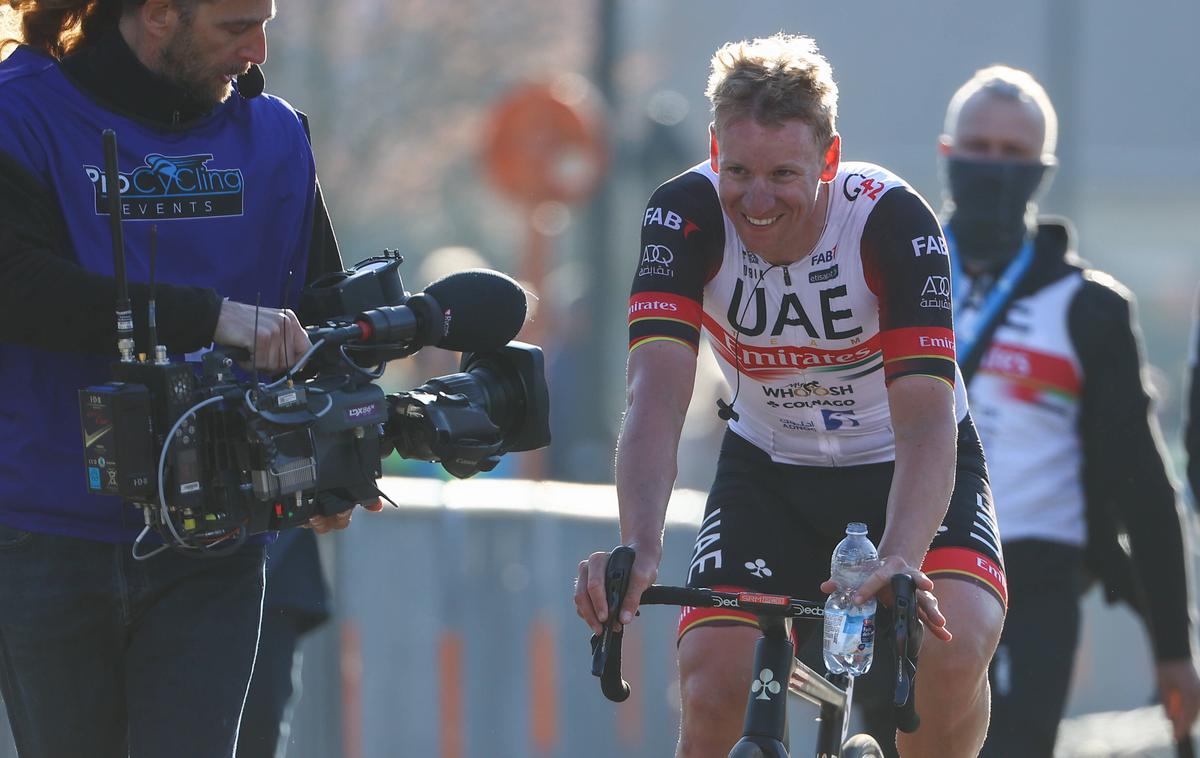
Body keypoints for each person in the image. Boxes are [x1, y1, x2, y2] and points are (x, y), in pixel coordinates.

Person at [575, 33, 1006, 758]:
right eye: (738, 170)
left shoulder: (891, 223)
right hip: (769, 468)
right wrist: (637, 548)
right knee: (712, 686)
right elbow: (654, 398)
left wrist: (900, 558)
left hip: (901, 467)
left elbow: (928, 424)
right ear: (713, 151)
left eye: (784, 172)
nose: (757, 197)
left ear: (829, 160)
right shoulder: (683, 215)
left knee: (948, 651)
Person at [0, 1, 360, 756]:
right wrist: (213, 317)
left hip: (219, 536)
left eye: (265, 22)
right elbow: (17, 285)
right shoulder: (19, 114)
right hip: (46, 530)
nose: (258, 48)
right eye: (235, 26)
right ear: (159, 14)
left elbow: (322, 305)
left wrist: (338, 449)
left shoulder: (275, 134)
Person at [934, 65, 1200, 756]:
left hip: (1035, 581)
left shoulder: (1091, 308)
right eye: (979, 148)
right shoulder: (886, 277)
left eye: (1014, 155)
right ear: (946, 153)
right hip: (904, 567)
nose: (994, 168)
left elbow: (1144, 485)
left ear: (1042, 170)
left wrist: (1174, 646)